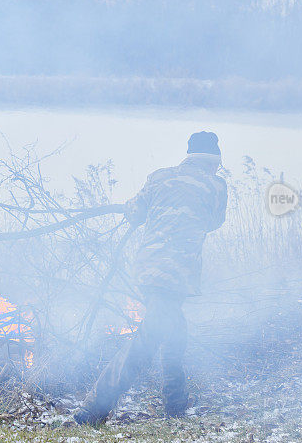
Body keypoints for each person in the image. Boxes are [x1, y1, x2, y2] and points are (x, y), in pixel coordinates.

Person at [74, 131, 228, 425]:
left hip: (147, 269)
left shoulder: (159, 177)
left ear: (188, 156)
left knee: (175, 332)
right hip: (178, 274)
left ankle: (176, 406)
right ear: (213, 163)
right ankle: (92, 410)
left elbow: (134, 212)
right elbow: (214, 222)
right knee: (146, 342)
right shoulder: (216, 186)